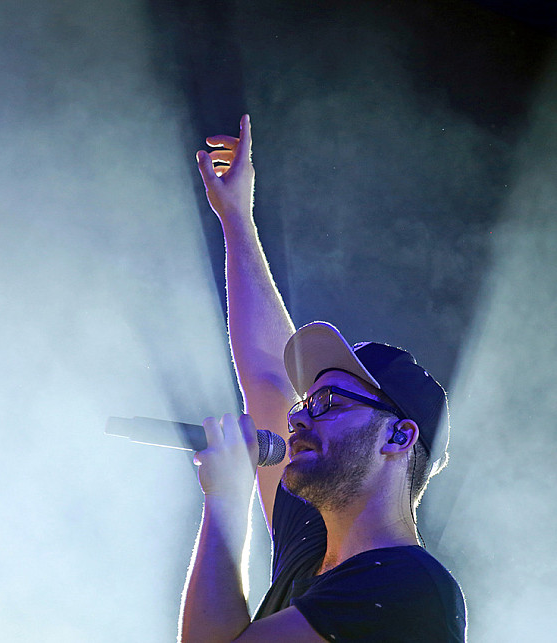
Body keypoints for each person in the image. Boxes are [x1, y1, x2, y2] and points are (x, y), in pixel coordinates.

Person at [178, 115, 467, 642]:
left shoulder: (410, 586)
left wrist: (226, 502)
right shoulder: (312, 542)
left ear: (398, 436)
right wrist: (236, 219)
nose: (297, 418)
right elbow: (269, 377)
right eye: (306, 403)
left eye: (328, 401)